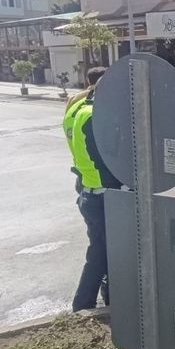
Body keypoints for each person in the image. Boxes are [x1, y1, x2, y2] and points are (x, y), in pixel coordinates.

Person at [70, 68, 122, 311]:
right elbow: (106, 158)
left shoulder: (77, 110)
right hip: (103, 194)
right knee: (101, 254)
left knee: (105, 251)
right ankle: (83, 305)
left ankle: (110, 297)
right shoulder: (94, 117)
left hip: (88, 190)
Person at [64, 67, 108, 195]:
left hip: (82, 172)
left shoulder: (74, 102)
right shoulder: (97, 104)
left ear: (88, 81)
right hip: (100, 179)